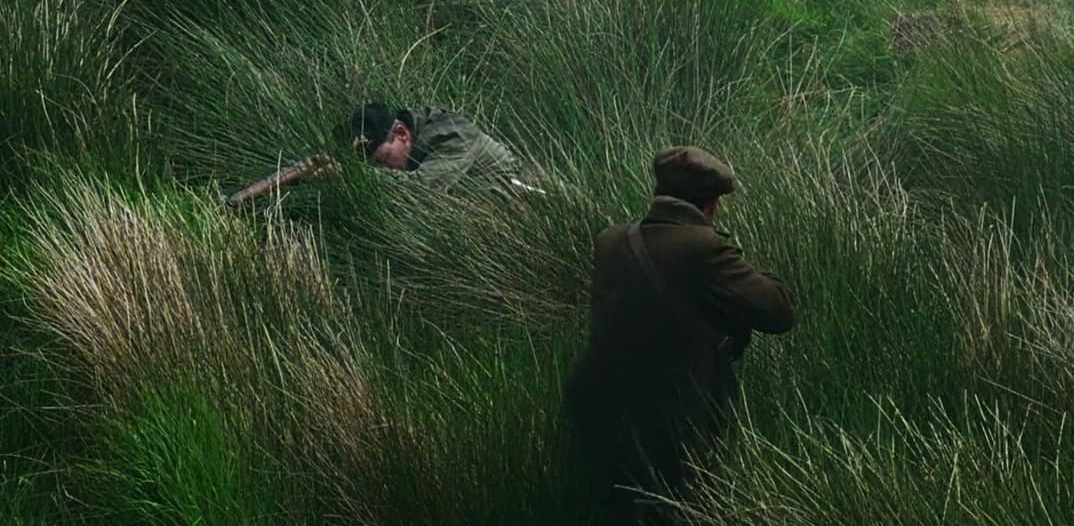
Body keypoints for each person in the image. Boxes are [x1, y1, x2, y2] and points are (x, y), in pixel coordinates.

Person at [563, 146, 796, 525]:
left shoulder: (610, 240)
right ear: (713, 203)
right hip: (671, 413)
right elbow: (778, 313)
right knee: (681, 511)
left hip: (598, 400)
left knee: (619, 508)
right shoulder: (704, 247)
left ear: (659, 193)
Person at [223, 101, 542, 207]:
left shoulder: (450, 134)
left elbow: (424, 191)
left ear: (402, 134)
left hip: (535, 200)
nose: (383, 170)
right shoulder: (409, 139)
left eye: (379, 160)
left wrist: (350, 176)